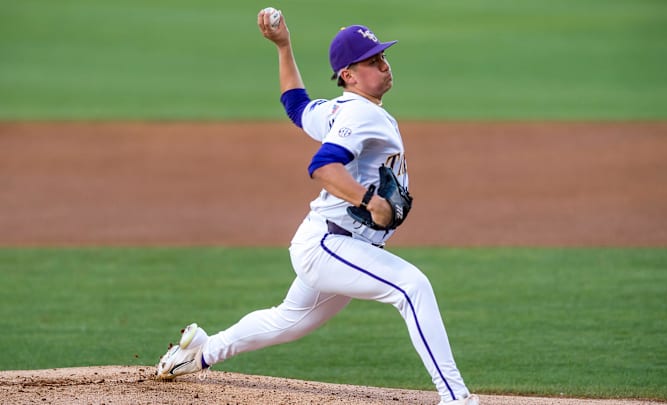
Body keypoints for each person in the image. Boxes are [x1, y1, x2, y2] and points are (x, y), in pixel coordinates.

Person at [156, 8, 480, 405]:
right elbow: (322, 166)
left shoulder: (339, 109)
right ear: (349, 75)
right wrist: (369, 200)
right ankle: (457, 398)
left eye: (383, 56)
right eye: (372, 60)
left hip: (339, 243)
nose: (384, 64)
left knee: (287, 320)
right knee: (413, 288)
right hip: (329, 244)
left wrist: (283, 45)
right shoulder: (360, 114)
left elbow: (295, 104)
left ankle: (200, 353)